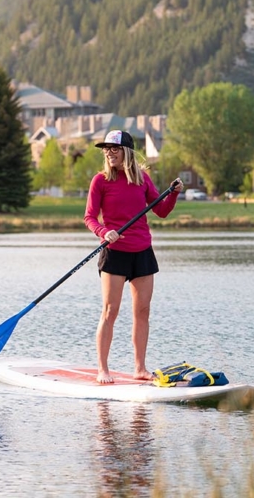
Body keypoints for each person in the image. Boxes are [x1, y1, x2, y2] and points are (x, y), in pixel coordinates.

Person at [83, 130, 183, 384]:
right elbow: (90, 217)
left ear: (126, 151)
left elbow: (161, 211)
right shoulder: (100, 181)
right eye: (106, 149)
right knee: (110, 311)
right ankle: (103, 369)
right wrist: (104, 232)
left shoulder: (142, 179)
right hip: (114, 253)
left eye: (113, 149)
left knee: (142, 311)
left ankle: (140, 367)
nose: (108, 153)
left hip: (142, 252)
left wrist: (173, 194)